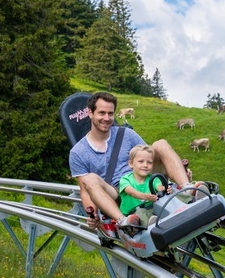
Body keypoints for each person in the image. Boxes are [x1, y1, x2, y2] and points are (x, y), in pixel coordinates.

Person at [70, 91, 191, 229]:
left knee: (160, 144)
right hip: (117, 191)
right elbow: (85, 191)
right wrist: (92, 214)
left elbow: (149, 156)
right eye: (102, 113)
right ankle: (125, 221)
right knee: (90, 178)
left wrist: (178, 169)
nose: (107, 118)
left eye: (110, 113)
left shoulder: (126, 134)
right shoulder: (78, 152)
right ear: (90, 113)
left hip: (143, 178)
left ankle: (188, 190)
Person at [118, 144, 166, 227]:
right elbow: (131, 192)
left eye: (149, 162)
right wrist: (145, 197)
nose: (145, 165)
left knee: (169, 197)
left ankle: (189, 197)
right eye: (141, 161)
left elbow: (159, 187)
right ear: (131, 164)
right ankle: (149, 223)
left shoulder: (153, 178)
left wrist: (164, 190)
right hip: (133, 212)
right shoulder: (125, 180)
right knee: (141, 213)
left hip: (152, 208)